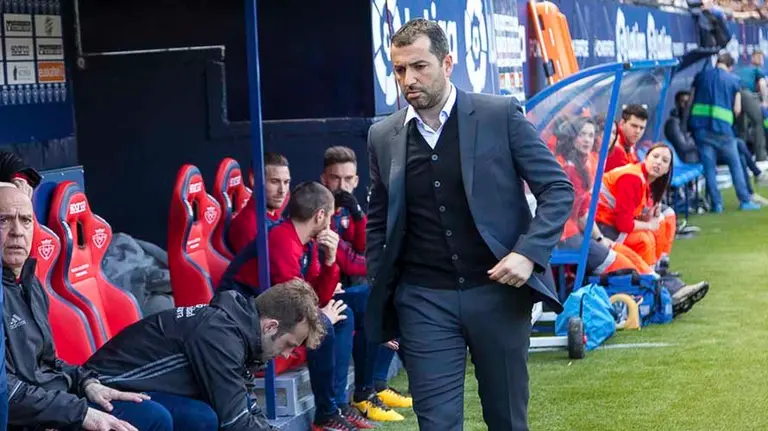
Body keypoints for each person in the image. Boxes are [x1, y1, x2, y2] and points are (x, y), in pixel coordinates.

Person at [365, 19, 574, 431]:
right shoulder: (382, 135)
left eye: (419, 66)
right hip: (423, 300)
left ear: (447, 63)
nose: (408, 79)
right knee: (437, 424)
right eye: (399, 69)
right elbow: (379, 222)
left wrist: (528, 253)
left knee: (506, 419)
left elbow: (557, 188)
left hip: (498, 293)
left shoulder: (499, 114)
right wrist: (383, 292)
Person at [0, 186, 176, 431]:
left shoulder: (30, 284)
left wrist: (87, 383)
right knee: (154, 420)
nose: (17, 231)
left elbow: (47, 363)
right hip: (29, 416)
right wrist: (80, 413)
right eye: (4, 220)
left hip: (54, 400)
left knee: (167, 415)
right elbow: (6, 391)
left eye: (26, 220)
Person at [86, 280, 331, 431]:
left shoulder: (237, 331)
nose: (287, 355)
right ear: (270, 327)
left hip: (138, 390)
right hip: (100, 391)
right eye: (289, 345)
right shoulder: (220, 336)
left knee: (202, 417)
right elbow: (235, 422)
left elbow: (246, 408)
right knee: (194, 419)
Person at [219, 181, 364, 431]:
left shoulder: (308, 243)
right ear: (320, 215)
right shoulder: (282, 239)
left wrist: (330, 261)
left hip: (276, 313)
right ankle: (326, 413)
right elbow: (295, 304)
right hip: (247, 323)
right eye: (330, 216)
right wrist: (321, 316)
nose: (330, 223)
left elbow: (318, 296)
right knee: (325, 324)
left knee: (346, 312)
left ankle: (342, 403)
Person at [320, 147, 411, 425]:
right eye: (335, 178)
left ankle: (377, 385)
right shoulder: (319, 210)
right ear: (324, 179)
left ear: (357, 180)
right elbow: (352, 262)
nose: (342, 186)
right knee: (374, 299)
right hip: (324, 293)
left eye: (348, 179)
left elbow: (363, 246)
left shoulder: (348, 210)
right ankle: (364, 392)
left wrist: (358, 212)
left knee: (397, 293)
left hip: (338, 288)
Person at [595, 144, 709, 311]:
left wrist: (648, 219)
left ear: (667, 169)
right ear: (646, 158)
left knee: (664, 219)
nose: (658, 162)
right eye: (655, 157)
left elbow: (630, 214)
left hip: (610, 224)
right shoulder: (633, 177)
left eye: (664, 161)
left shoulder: (645, 180)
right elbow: (623, 224)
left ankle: (660, 274)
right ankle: (656, 289)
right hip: (601, 228)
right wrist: (648, 224)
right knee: (644, 238)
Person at [689, 52, 761, 212]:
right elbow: (737, 109)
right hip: (723, 131)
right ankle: (744, 200)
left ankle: (717, 204)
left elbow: (691, 100)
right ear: (730, 66)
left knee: (709, 169)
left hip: (701, 128)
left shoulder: (701, 76)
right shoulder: (734, 80)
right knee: (736, 165)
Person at [228, 152, 291, 253]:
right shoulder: (250, 226)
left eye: (286, 182)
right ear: (254, 180)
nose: (282, 190)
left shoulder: (272, 216)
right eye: (274, 181)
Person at [735, 50, 768, 160]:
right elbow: (762, 84)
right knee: (758, 122)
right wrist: (765, 102)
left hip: (735, 95)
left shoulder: (742, 69)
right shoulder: (757, 70)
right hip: (746, 93)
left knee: (742, 128)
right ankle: (761, 155)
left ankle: (741, 157)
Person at [605, 104, 647, 172]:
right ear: (622, 123)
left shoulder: (630, 146)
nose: (638, 131)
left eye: (642, 128)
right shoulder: (614, 146)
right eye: (634, 126)